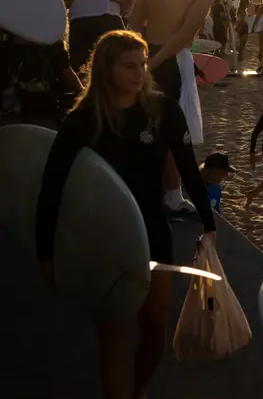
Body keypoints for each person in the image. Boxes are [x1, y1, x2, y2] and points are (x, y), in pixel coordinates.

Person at [36, 30, 216, 399]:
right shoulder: (83, 121)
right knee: (114, 334)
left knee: (153, 330)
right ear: (107, 69)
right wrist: (46, 254)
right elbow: (52, 188)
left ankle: (140, 389)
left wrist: (209, 224)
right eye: (129, 66)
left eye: (143, 64)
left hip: (152, 230)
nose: (139, 73)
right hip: (102, 237)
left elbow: (187, 167)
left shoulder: (163, 111)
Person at [127, 0, 221, 214]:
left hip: (143, 51)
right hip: (169, 60)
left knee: (142, 123)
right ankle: (171, 195)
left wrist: (137, 57)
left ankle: (142, 187)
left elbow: (135, 18)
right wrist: (155, 62)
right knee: (173, 130)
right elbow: (185, 35)